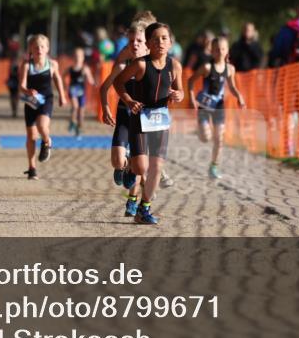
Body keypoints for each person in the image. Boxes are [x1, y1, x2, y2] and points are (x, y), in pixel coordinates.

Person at [113, 22, 185, 225]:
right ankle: (129, 169)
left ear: (170, 42)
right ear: (149, 43)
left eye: (164, 38)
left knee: (157, 166)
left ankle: (144, 209)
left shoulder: (175, 65)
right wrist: (129, 101)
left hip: (161, 120)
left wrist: (178, 95)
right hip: (140, 119)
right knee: (141, 167)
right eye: (155, 39)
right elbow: (119, 83)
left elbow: (180, 91)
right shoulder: (141, 64)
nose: (160, 42)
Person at [99, 18, 152, 216]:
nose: (134, 45)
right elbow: (104, 87)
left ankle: (132, 200)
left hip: (144, 120)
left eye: (138, 41)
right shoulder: (122, 62)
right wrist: (105, 109)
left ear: (146, 42)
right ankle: (125, 165)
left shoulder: (154, 61)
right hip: (124, 115)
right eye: (131, 42)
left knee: (140, 166)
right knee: (116, 161)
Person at [188, 36, 246, 179]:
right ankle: (201, 129)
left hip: (219, 107)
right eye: (217, 49)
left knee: (219, 138)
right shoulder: (206, 68)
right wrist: (191, 98)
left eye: (223, 49)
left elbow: (232, 87)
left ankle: (214, 166)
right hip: (204, 106)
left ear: (227, 51)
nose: (220, 51)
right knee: (205, 138)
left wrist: (239, 96)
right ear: (212, 51)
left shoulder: (230, 69)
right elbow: (190, 81)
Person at [20, 34, 67, 179]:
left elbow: (57, 79)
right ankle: (32, 167)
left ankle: (47, 141)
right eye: (36, 47)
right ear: (30, 50)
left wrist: (62, 96)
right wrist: (28, 91)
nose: (39, 49)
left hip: (46, 99)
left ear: (47, 49)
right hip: (31, 101)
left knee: (42, 126)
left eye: (42, 46)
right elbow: (21, 85)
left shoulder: (52, 64)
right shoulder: (27, 65)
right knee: (31, 136)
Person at [66, 47, 95, 137]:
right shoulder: (70, 68)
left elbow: (90, 79)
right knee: (75, 106)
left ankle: (79, 128)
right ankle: (72, 121)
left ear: (83, 58)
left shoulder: (85, 68)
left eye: (79, 56)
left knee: (81, 112)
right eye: (75, 56)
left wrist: (94, 83)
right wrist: (64, 85)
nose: (77, 58)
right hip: (72, 90)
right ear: (73, 57)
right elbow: (63, 75)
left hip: (81, 91)